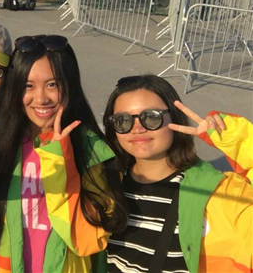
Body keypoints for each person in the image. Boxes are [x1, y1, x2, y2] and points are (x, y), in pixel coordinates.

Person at [0, 35, 126, 272]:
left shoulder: (91, 150)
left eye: (52, 84)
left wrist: (58, 157)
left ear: (71, 85)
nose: (41, 98)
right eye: (28, 85)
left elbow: (88, 239)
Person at [102, 75, 253, 273]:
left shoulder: (217, 192)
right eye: (122, 120)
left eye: (151, 117)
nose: (137, 129)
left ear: (174, 117)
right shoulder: (105, 185)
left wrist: (239, 141)